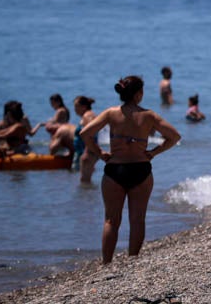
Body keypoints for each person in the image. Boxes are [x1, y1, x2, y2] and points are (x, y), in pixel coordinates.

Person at [80, 75, 181, 264]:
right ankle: (132, 261)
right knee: (137, 219)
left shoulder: (111, 113)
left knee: (111, 220)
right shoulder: (149, 115)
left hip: (114, 170)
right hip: (140, 169)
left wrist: (100, 153)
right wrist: (154, 152)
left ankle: (107, 264)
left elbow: (85, 133)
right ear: (138, 94)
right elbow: (174, 136)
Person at [73, 96, 99, 183]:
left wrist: (87, 151)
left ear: (84, 106)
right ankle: (87, 196)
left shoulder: (88, 115)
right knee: (84, 181)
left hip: (88, 153)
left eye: (76, 106)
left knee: (85, 181)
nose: (75, 109)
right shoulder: (87, 115)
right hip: (86, 151)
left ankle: (89, 196)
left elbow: (92, 133)